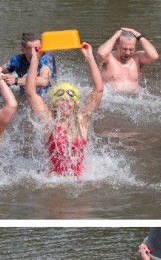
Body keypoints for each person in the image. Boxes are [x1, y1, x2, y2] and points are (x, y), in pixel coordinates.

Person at [26, 41, 103, 176]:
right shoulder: (49, 122)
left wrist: (90, 57)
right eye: (61, 99)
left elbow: (98, 90)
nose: (65, 103)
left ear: (75, 102)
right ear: (54, 103)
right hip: (54, 183)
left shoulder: (82, 120)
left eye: (69, 100)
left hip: (79, 184)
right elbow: (31, 93)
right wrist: (34, 59)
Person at [97, 27, 159, 92]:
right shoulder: (108, 58)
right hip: (110, 99)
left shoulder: (138, 58)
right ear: (117, 44)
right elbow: (101, 54)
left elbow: (154, 56)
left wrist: (139, 36)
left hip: (134, 100)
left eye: (131, 49)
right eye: (124, 49)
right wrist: (115, 37)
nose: (128, 53)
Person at [2, 32, 56, 99]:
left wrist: (16, 81)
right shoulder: (17, 60)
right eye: (34, 49)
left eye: (39, 48)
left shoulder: (46, 59)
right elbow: (1, 70)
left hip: (46, 99)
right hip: (26, 99)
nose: (38, 52)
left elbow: (43, 81)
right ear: (23, 50)